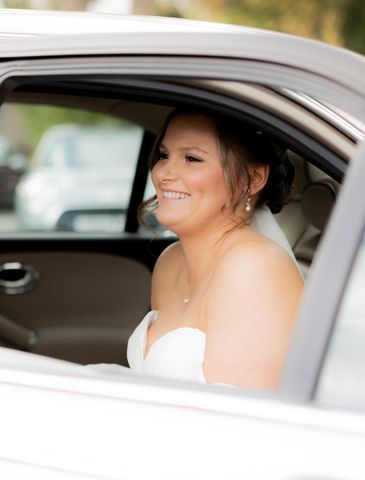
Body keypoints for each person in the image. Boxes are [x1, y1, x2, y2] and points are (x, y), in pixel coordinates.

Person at [127, 110, 304, 390]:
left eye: (192, 159)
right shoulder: (171, 261)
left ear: (252, 179)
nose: (163, 174)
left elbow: (250, 421)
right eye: (163, 155)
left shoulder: (255, 269)